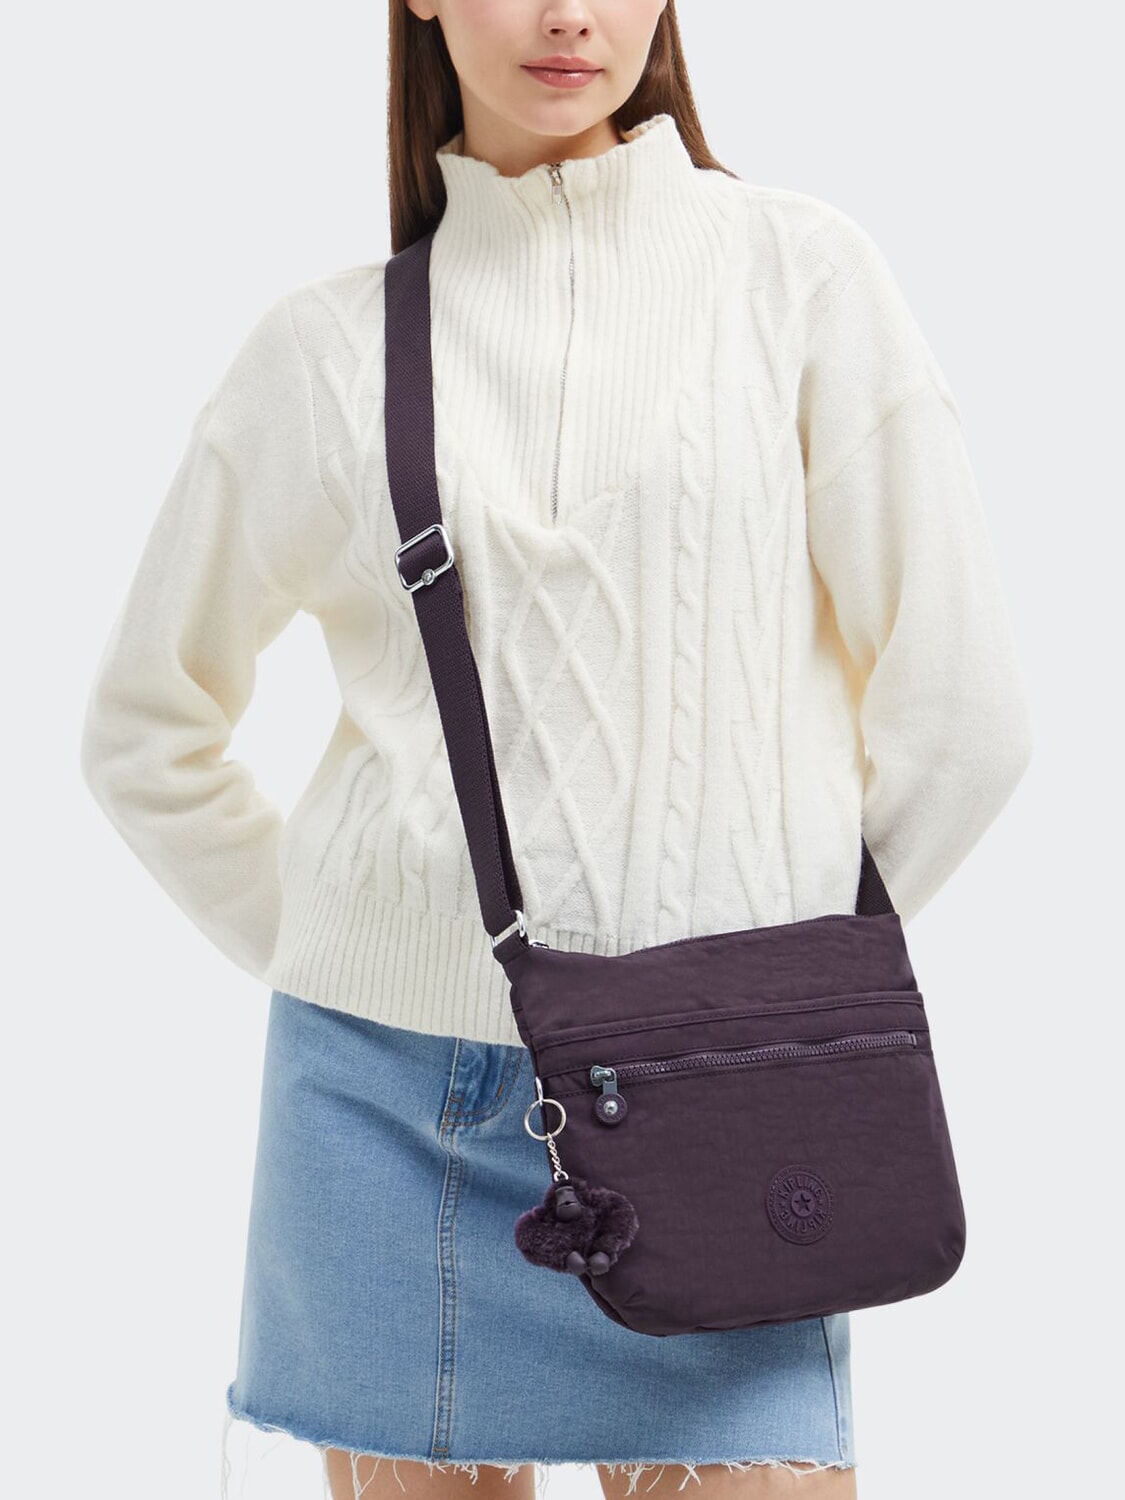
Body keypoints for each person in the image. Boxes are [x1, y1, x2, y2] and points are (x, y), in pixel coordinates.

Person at [78, 1, 1033, 1497]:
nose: (569, 14)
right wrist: (363, 945)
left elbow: (965, 712)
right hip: (387, 1101)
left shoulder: (801, 278)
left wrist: (771, 982)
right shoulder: (323, 350)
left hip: (721, 1091)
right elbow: (146, 727)